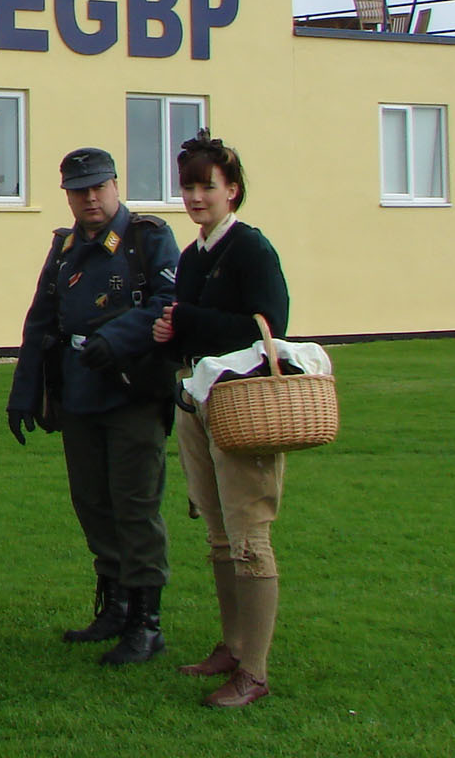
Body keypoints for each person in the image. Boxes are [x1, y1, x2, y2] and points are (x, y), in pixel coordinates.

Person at [5, 147, 179, 664]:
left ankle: (146, 622)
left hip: (131, 393)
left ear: (115, 185)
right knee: (92, 502)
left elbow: (167, 301)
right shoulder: (64, 248)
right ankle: (115, 604)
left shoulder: (146, 239)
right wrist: (23, 393)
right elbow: (42, 321)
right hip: (79, 394)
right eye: (79, 190)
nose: (90, 198)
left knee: (135, 504)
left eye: (98, 187)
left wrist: (119, 337)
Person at [153, 132, 291, 709]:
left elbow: (267, 327)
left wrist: (185, 318)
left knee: (249, 535)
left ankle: (253, 672)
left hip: (245, 403)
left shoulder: (251, 249)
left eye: (207, 186)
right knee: (217, 534)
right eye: (188, 186)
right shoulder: (194, 255)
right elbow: (191, 330)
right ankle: (233, 647)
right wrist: (172, 333)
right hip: (199, 398)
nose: (195, 196)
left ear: (232, 191)